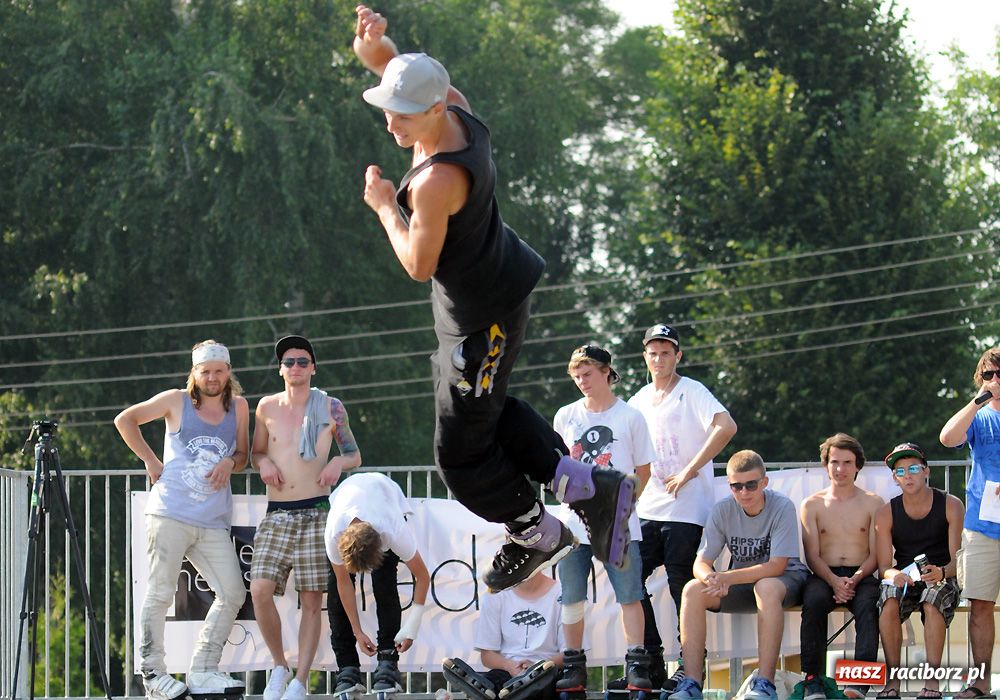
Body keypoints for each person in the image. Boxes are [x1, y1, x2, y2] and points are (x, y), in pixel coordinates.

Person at [352, 5, 638, 592]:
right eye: (387, 110)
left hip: (482, 322)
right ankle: (580, 484)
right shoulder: (453, 104)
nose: (391, 126)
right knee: (487, 411)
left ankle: (537, 531)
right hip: (498, 293)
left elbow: (418, 264)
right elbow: (396, 71)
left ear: (434, 109)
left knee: (459, 455)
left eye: (402, 116)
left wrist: (384, 205)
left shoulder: (436, 182)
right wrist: (376, 47)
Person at [114, 340, 249, 700]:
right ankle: (153, 674)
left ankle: (203, 670)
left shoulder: (239, 406)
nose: (212, 377)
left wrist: (230, 463)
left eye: (219, 370)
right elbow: (124, 420)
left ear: (228, 372)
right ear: (194, 373)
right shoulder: (175, 400)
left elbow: (243, 453)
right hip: (170, 512)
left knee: (233, 592)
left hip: (211, 520)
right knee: (159, 594)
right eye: (205, 371)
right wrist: (150, 460)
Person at [250, 335, 362, 700]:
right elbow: (256, 452)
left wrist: (336, 462)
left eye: (302, 361)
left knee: (312, 601)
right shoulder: (266, 406)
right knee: (260, 591)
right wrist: (264, 463)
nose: (295, 367)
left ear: (313, 367)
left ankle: (300, 680)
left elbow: (354, 456)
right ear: (280, 369)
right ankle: (279, 667)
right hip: (278, 512)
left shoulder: (331, 407)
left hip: (317, 511)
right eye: (288, 362)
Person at [627, 323, 737, 692]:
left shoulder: (692, 391)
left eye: (666, 352)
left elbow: (726, 426)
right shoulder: (639, 399)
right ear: (645, 356)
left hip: (686, 509)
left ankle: (690, 668)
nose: (659, 359)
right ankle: (652, 658)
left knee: (680, 586)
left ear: (678, 356)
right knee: (630, 576)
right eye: (653, 353)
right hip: (648, 507)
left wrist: (690, 471)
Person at [549, 345, 656, 698]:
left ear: (607, 372)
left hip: (618, 523)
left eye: (588, 374)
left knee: (629, 594)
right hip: (574, 522)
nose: (582, 382)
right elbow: (559, 464)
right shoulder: (566, 415)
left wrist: (624, 504)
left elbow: (643, 470)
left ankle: (637, 664)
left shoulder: (630, 417)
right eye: (577, 376)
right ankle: (574, 663)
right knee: (572, 595)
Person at [668, 450, 808, 700]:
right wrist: (710, 578)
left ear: (764, 482)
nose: (744, 492)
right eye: (736, 486)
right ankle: (691, 684)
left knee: (765, 586)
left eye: (751, 485)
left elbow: (776, 566)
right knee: (692, 589)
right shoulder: (722, 509)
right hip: (744, 584)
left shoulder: (782, 506)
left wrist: (727, 578)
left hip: (786, 581)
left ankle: (765, 685)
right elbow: (701, 562)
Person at [325, 472, 431, 699]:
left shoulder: (392, 530)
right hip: (347, 493)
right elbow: (345, 584)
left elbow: (423, 577)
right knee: (335, 587)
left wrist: (411, 627)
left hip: (385, 493)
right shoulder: (334, 533)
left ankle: (387, 661)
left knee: (384, 582)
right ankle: (347, 667)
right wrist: (357, 631)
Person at [874, 442, 963, 700]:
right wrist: (895, 575)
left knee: (932, 600)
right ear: (894, 478)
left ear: (926, 471)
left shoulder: (951, 504)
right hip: (906, 578)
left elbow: (959, 560)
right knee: (888, 598)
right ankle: (893, 681)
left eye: (913, 468)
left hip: (942, 575)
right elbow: (883, 568)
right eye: (900, 471)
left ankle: (932, 681)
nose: (907, 475)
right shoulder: (886, 512)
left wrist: (942, 572)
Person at [798, 434, 883, 700]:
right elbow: (812, 555)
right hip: (824, 573)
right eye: (834, 462)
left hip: (863, 573)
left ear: (858, 465)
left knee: (869, 608)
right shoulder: (811, 504)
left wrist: (854, 580)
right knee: (812, 602)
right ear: (826, 465)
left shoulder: (873, 502)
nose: (840, 469)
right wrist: (835, 581)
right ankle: (813, 680)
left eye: (847, 462)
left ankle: (859, 684)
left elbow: (876, 553)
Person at [939, 347, 1000, 699]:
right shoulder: (978, 414)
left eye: (999, 374)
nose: (994, 381)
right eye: (987, 375)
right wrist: (977, 402)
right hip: (981, 526)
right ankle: (981, 684)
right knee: (979, 604)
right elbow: (947, 439)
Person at [442, 571, 563, 700]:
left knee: (543, 681)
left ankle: (508, 689)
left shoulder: (562, 593)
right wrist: (509, 666)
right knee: (494, 680)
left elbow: (571, 653)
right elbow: (487, 655)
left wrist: (536, 668)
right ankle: (485, 689)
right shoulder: (496, 594)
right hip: (507, 670)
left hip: (546, 670)